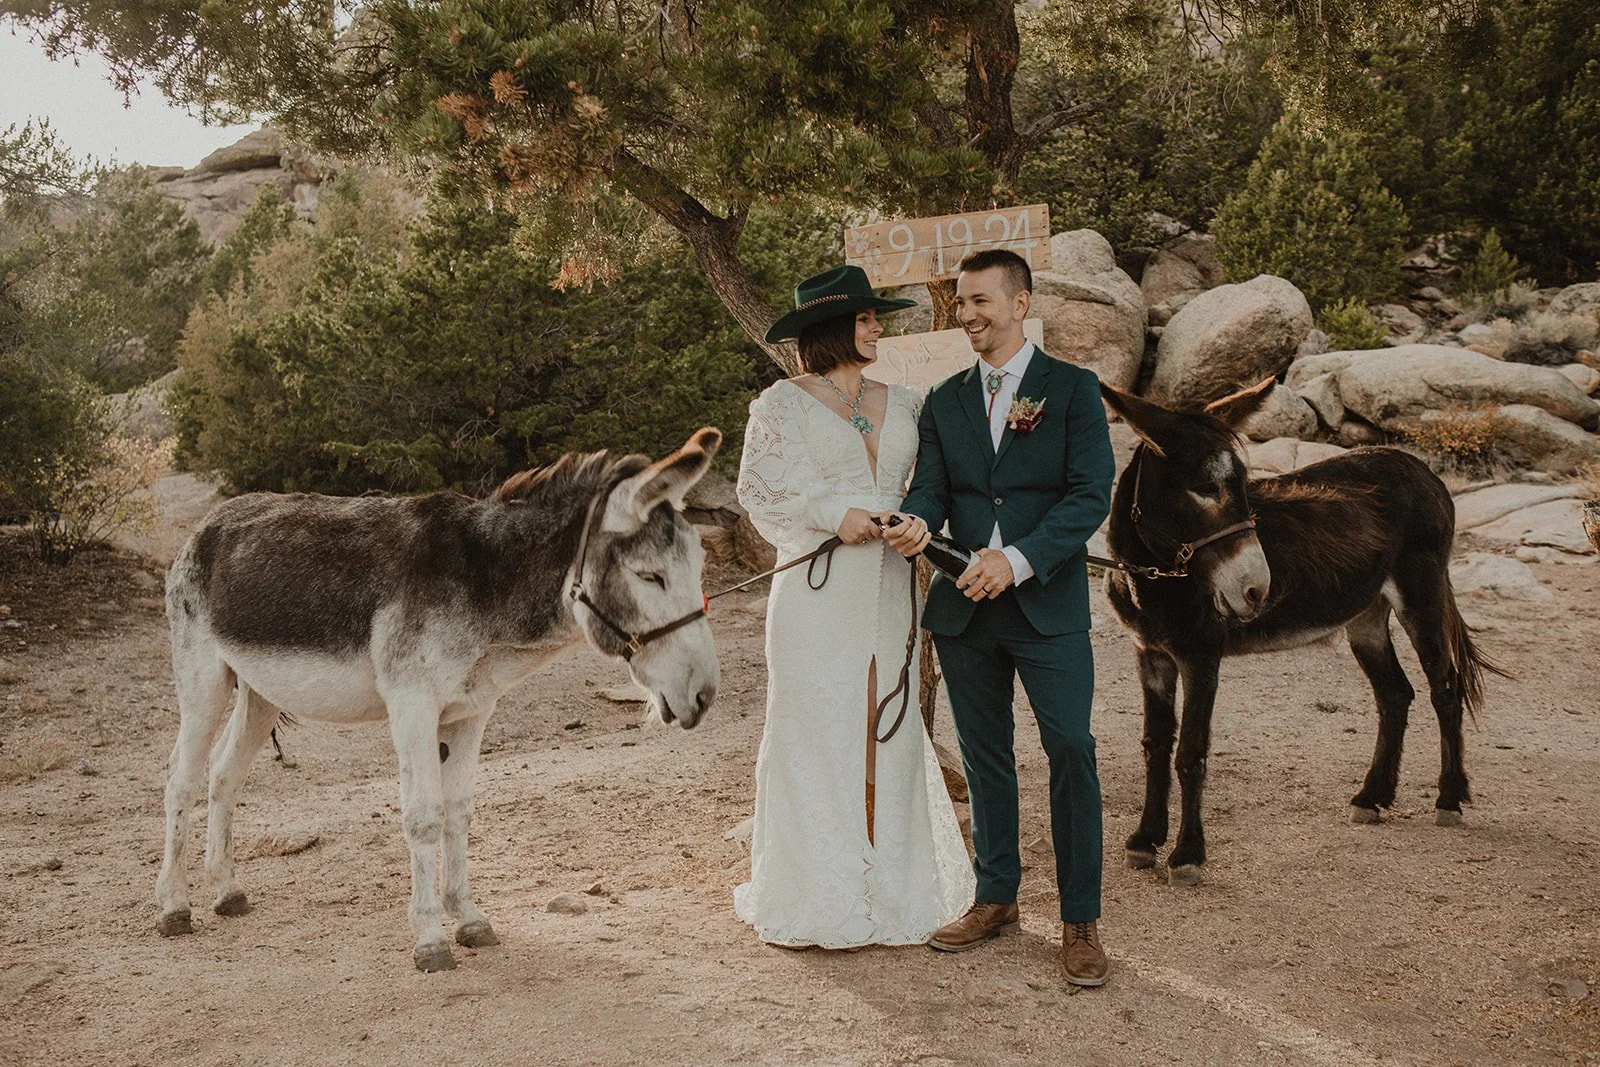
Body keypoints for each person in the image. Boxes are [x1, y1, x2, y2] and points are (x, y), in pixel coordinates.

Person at [883, 248, 1116, 986]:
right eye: (960, 301)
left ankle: (1080, 919)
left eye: (981, 300)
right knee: (986, 759)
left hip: (1045, 605)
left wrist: (1013, 560)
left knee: (1071, 748)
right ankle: (996, 896)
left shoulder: (1073, 390)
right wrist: (916, 525)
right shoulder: (945, 399)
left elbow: (1089, 496)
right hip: (964, 612)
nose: (967, 313)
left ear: (1020, 304)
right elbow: (932, 491)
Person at [734, 264, 974, 949]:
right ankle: (817, 891)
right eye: (867, 318)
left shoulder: (903, 402)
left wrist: (913, 522)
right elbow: (761, 491)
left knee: (887, 729)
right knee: (816, 731)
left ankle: (889, 885)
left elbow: (928, 484)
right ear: (830, 327)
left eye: (876, 317)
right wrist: (832, 513)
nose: (878, 327)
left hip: (890, 586)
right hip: (817, 592)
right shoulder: (779, 404)